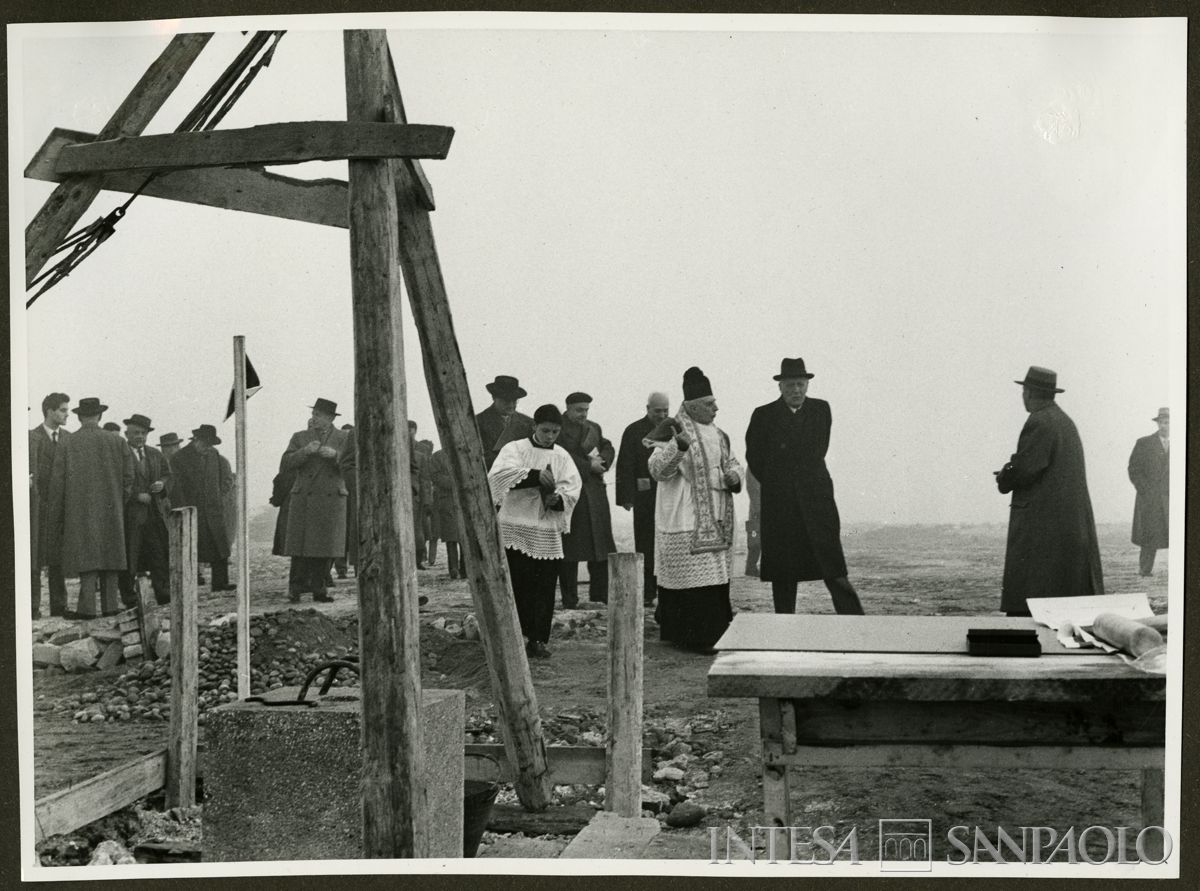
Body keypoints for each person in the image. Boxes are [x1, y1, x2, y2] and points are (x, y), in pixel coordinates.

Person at [746, 357, 865, 615]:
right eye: (790, 386)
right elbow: (754, 458)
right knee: (783, 574)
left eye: (800, 384)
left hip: (817, 503)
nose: (796, 390)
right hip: (781, 506)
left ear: (807, 385)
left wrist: (788, 474)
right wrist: (778, 485)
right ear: (780, 387)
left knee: (834, 569)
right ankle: (784, 629)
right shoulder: (763, 415)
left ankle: (858, 626)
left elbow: (816, 450)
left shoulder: (821, 410)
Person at [647, 367, 743, 653]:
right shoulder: (672, 429)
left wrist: (735, 476)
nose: (716, 408)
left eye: (714, 403)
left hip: (717, 512)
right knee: (692, 577)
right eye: (709, 404)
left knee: (715, 576)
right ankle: (690, 636)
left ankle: (714, 632)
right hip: (683, 512)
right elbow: (657, 471)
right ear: (692, 406)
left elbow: (733, 463)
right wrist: (678, 448)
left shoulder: (720, 434)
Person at [995, 366, 1104, 616]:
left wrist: (1004, 475)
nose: (1022, 396)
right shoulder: (1063, 420)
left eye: (1024, 391)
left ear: (1031, 392)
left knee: (1034, 587)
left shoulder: (1039, 421)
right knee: (1063, 585)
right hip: (1063, 520)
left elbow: (1026, 468)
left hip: (1042, 521)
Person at [488, 404, 582, 658]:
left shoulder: (562, 456)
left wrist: (558, 499)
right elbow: (497, 476)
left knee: (544, 588)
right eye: (545, 431)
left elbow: (572, 486)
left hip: (545, 529)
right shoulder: (515, 448)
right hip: (516, 526)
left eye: (555, 432)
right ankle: (513, 638)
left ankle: (538, 639)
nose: (550, 437)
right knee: (518, 585)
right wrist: (534, 475)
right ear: (534, 427)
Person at [47, 397, 134, 618]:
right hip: (111, 508)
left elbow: (57, 482)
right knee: (110, 556)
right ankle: (111, 607)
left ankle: (86, 609)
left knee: (87, 557)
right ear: (100, 416)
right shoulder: (118, 441)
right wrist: (118, 501)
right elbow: (129, 478)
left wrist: (59, 513)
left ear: (79, 416)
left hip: (79, 512)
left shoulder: (68, 442)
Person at [280, 398, 354, 602]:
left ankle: (319, 590)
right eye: (313, 414)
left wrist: (335, 455)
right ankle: (295, 588)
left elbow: (352, 466)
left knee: (325, 548)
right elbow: (285, 464)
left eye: (318, 415)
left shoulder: (345, 437)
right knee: (300, 549)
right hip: (305, 498)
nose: (314, 418)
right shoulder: (300, 437)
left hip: (331, 499)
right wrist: (305, 451)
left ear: (330, 418)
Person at [556, 392, 616, 606]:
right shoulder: (558, 428)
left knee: (600, 549)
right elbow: (559, 455)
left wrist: (603, 460)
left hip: (596, 495)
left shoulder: (594, 427)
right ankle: (570, 599)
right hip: (573, 495)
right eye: (579, 410)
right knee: (570, 552)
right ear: (568, 408)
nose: (583, 414)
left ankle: (599, 596)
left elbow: (608, 446)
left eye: (586, 410)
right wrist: (587, 466)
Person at [616, 392, 670, 605]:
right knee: (645, 542)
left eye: (666, 410)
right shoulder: (633, 430)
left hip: (668, 497)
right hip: (644, 497)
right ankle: (648, 592)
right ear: (648, 408)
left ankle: (665, 589)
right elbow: (625, 464)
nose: (662, 414)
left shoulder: (673, 430)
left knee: (666, 543)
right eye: (658, 411)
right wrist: (626, 497)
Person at [172, 424, 235, 592]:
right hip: (192, 510)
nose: (208, 449)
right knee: (191, 549)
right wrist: (183, 509)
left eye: (211, 445)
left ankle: (220, 583)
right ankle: (187, 585)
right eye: (206, 445)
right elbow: (176, 487)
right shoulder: (179, 458)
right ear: (197, 441)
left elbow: (224, 479)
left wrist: (218, 494)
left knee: (220, 547)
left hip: (214, 509)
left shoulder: (214, 454)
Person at [119, 414, 172, 607]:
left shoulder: (155, 454)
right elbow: (116, 481)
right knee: (130, 556)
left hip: (154, 514)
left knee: (158, 554)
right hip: (130, 516)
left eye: (143, 433)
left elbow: (168, 475)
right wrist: (135, 495)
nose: (139, 436)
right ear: (127, 434)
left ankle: (163, 592)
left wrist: (161, 484)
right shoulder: (121, 453)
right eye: (135, 433)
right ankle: (129, 597)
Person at [29, 392, 71, 618]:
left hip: (61, 509)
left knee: (58, 558)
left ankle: (59, 606)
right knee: (34, 557)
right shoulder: (31, 438)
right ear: (50, 411)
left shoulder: (69, 438)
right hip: (36, 509)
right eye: (63, 410)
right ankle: (32, 607)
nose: (66, 414)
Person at [1128, 408, 1169, 577]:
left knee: (1181, 534)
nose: (1165, 425)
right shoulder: (1144, 443)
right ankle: (1145, 571)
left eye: (1168, 422)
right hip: (1150, 500)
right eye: (1162, 422)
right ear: (1158, 423)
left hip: (1173, 499)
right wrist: (1145, 490)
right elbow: (1133, 469)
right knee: (1149, 536)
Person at [476, 375, 533, 468]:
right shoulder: (477, 423)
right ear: (493, 398)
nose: (511, 405)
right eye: (506, 400)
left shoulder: (528, 423)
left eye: (514, 400)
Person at [430, 446, 467, 578]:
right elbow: (435, 476)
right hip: (446, 501)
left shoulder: (463, 453)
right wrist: (454, 482)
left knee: (465, 537)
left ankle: (465, 569)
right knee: (451, 537)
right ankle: (453, 569)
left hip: (464, 501)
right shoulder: (437, 457)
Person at [333, 423, 357, 580]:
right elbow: (346, 463)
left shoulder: (398, 431)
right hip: (353, 491)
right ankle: (343, 567)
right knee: (348, 529)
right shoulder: (354, 435)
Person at [409, 421, 432, 570]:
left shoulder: (422, 452)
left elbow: (425, 478)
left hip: (416, 497)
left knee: (418, 530)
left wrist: (427, 500)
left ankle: (419, 558)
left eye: (411, 431)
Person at [744, 468, 762, 577]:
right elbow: (752, 488)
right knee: (755, 538)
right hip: (758, 510)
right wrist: (758, 508)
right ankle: (751, 567)